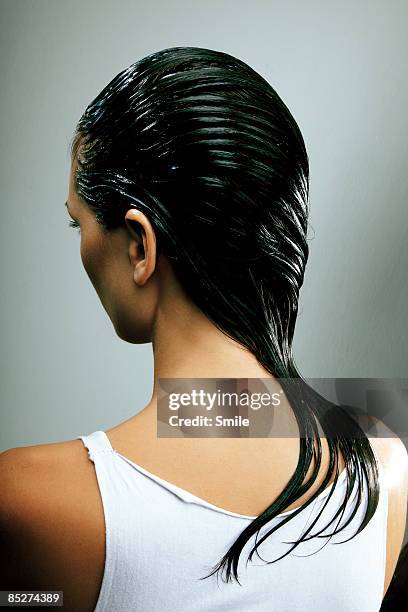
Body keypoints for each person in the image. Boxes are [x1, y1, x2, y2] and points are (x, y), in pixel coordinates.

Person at [0, 46, 407, 612]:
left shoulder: (27, 499)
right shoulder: (382, 466)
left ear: (140, 245)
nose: (82, 245)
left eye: (79, 223)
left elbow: (26, 600)